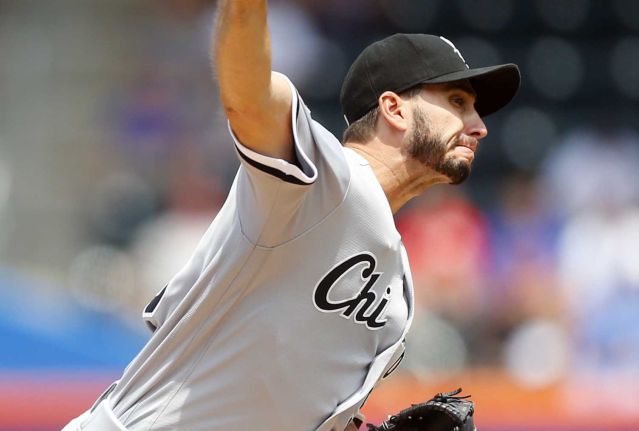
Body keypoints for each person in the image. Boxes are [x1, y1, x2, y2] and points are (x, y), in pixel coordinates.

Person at [63, 1, 520, 430]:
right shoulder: (322, 178)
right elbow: (250, 96)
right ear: (394, 108)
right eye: (458, 102)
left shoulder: (399, 281)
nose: (478, 125)